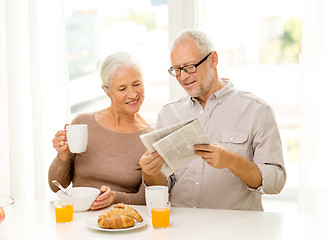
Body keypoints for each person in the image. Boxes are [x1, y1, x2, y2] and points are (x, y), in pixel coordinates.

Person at [139, 29, 286, 211]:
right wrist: (150, 172)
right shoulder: (168, 114)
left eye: (189, 67)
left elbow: (276, 182)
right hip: (180, 228)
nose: (183, 77)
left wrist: (232, 161)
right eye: (177, 70)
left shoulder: (257, 110)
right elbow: (164, 185)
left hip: (235, 229)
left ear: (213, 60)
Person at [49, 51, 152, 210]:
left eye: (137, 84)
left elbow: (148, 198)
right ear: (106, 90)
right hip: (78, 219)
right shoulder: (82, 123)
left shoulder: (150, 136)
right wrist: (61, 157)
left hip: (122, 224)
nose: (132, 94)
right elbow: (56, 187)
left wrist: (115, 198)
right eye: (122, 88)